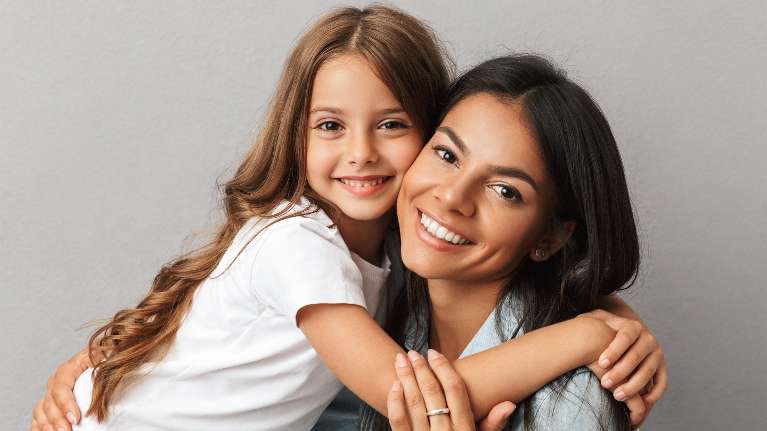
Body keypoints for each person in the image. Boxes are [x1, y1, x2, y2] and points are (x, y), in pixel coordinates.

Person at [29, 7, 665, 431]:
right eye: (446, 155)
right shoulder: (311, 251)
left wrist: (608, 318)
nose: (448, 198)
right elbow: (408, 394)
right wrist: (587, 334)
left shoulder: (390, 257)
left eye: (391, 126)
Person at [380, 54, 662, 430]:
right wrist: (597, 330)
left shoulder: (572, 403)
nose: (452, 198)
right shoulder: (378, 292)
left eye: (505, 191)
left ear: (552, 236)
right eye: (447, 154)